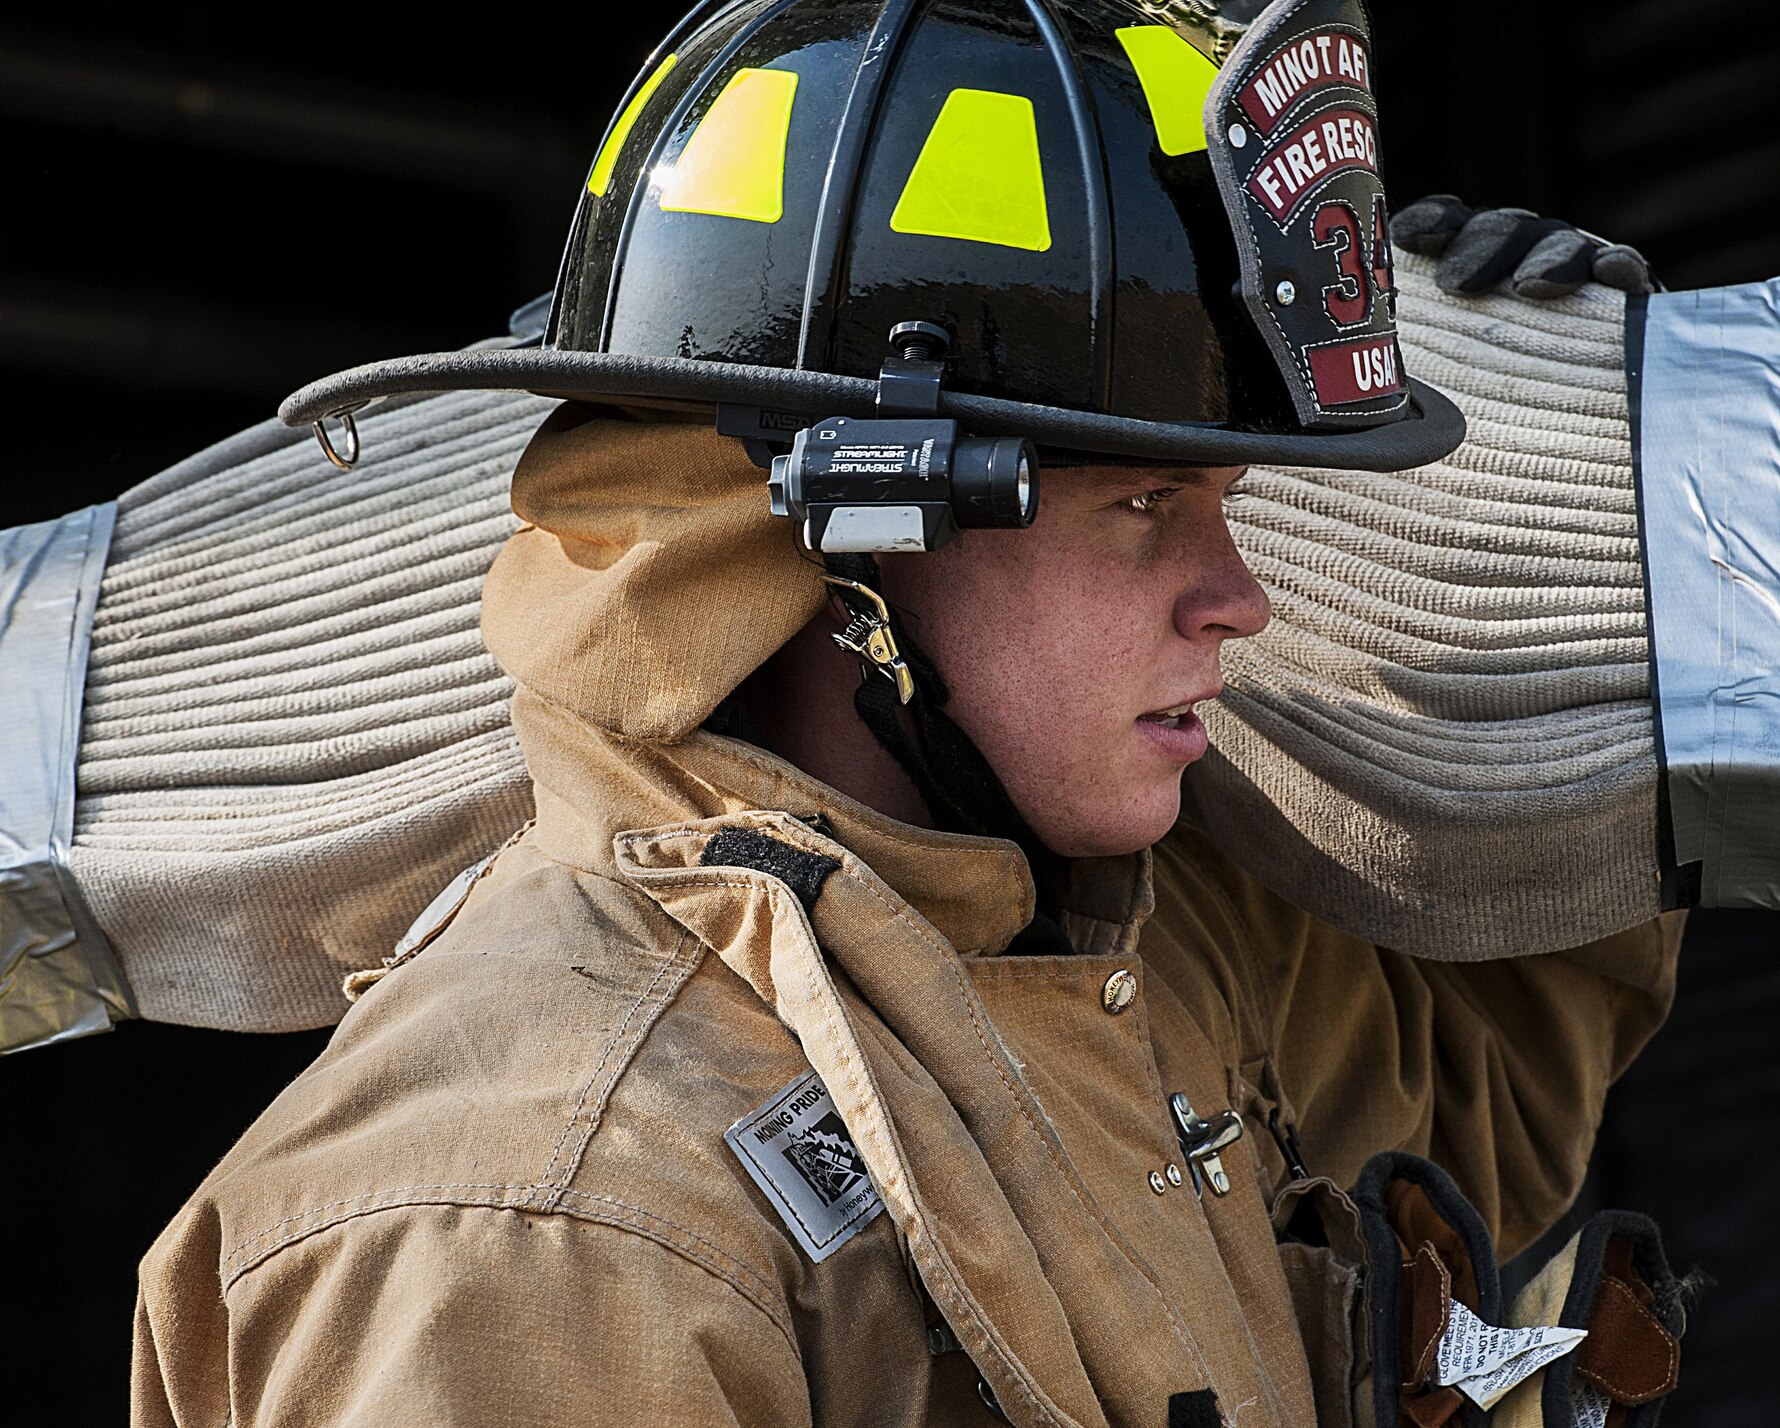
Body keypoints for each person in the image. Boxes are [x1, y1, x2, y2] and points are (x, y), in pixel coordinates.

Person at [133, 1, 1680, 1424]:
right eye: (1143, 503)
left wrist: (1597, 499)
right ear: (853, 541)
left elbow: (1474, 1092)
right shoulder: (541, 1218)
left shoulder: (1099, 937)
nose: (1238, 597)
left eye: (1226, 501)